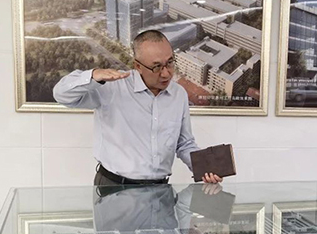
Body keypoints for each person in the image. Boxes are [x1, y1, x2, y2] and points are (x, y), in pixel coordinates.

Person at [53, 29, 222, 188]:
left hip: (160, 188)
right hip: (115, 187)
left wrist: (204, 168)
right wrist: (94, 75)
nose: (166, 73)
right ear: (138, 66)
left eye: (170, 63)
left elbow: (184, 143)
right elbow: (62, 95)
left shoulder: (179, 94)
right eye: (157, 67)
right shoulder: (113, 85)